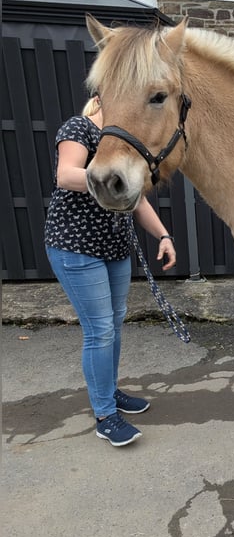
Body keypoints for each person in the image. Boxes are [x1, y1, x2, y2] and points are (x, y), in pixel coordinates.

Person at [44, 95, 177, 447]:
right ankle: (104, 415)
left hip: (113, 248)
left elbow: (139, 199)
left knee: (114, 322)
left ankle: (109, 392)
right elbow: (65, 175)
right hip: (74, 246)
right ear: (103, 99)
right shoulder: (80, 128)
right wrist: (107, 175)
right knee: (99, 330)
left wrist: (163, 235)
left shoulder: (121, 141)